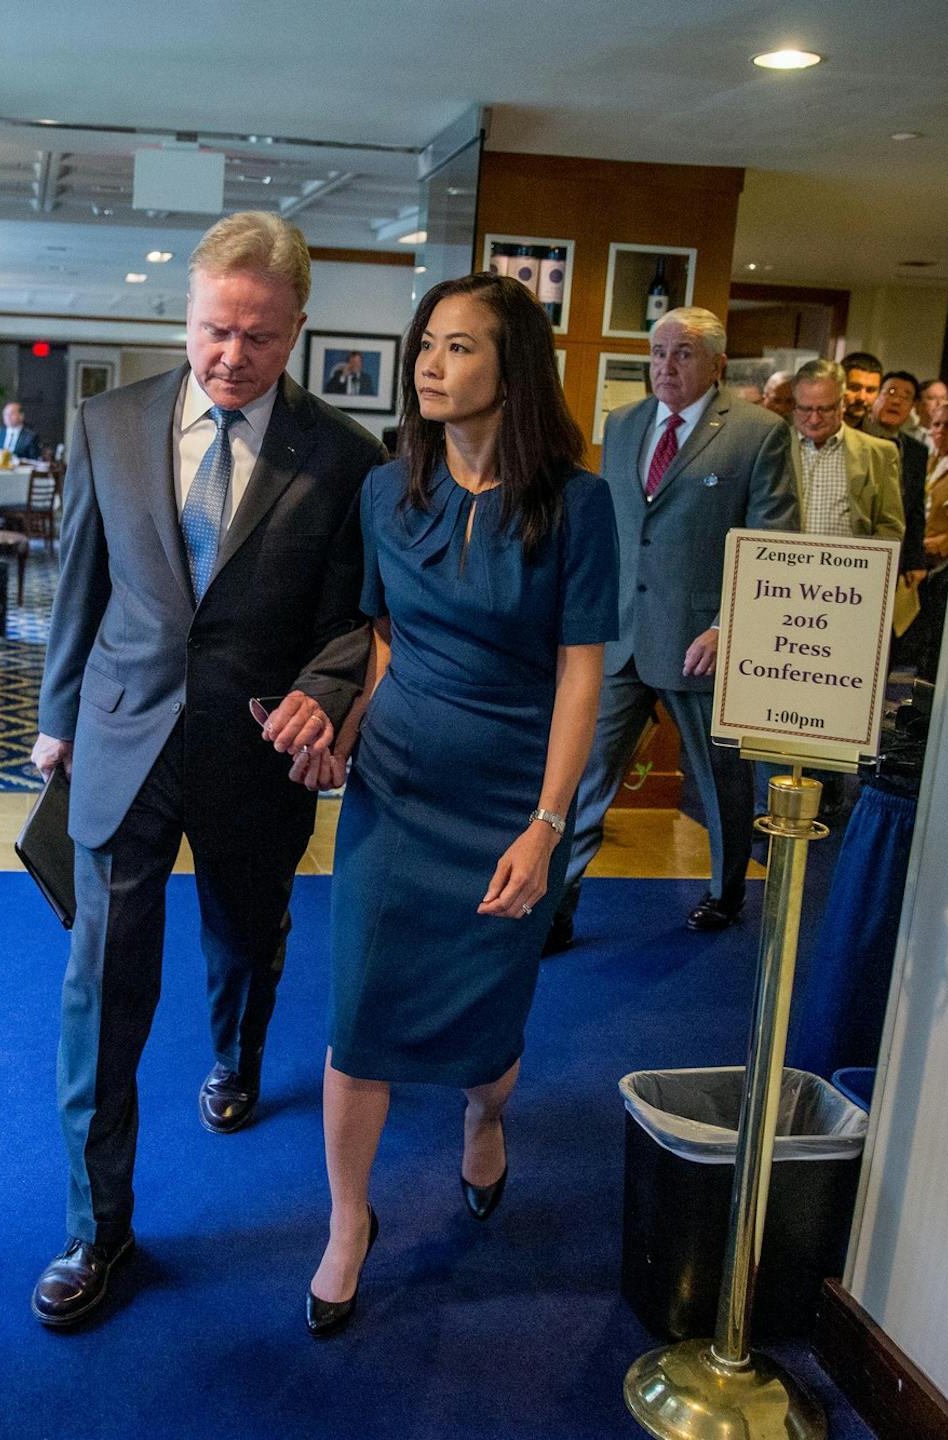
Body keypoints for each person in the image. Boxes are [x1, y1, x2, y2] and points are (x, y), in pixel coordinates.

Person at [28, 211, 383, 1328]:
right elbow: (80, 582)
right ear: (186, 316)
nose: (232, 358)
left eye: (261, 338)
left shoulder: (341, 457)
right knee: (102, 987)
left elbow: (351, 620)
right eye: (215, 331)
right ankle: (99, 1228)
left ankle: (235, 1058)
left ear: (297, 331)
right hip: (125, 735)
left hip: (255, 747)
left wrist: (324, 699)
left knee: (245, 933)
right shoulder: (109, 422)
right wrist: (55, 717)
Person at [299, 274, 617, 1336]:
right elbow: (384, 637)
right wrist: (350, 735)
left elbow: (583, 672)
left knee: (488, 1029)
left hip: (507, 797)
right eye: (426, 345)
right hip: (397, 791)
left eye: (460, 347)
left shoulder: (579, 503)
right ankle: (349, 1222)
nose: (430, 365)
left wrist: (548, 823)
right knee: (359, 1020)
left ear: (513, 367)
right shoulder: (388, 493)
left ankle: (486, 1123)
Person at [542, 307, 799, 947]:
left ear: (716, 363)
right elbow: (612, 530)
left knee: (719, 780)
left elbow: (773, 544)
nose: (666, 366)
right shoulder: (624, 424)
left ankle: (727, 889)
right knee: (581, 777)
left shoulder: (758, 433)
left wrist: (727, 626)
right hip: (620, 636)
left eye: (682, 354)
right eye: (658, 353)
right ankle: (557, 907)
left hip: (699, 642)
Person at [789, 359, 907, 542]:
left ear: (842, 403)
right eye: (805, 409)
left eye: (825, 409)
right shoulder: (773, 447)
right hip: (785, 564)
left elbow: (890, 527)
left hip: (850, 567)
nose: (814, 419)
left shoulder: (880, 453)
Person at [898, 401, 948, 680]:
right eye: (936, 424)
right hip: (920, 551)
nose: (940, 430)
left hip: (944, 561)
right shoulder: (928, 458)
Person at [863, 369, 930, 578]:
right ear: (877, 396)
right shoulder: (855, 437)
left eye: (906, 397)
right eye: (890, 392)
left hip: (893, 556)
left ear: (912, 407)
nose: (896, 401)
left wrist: (915, 560)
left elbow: (915, 509)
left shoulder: (917, 451)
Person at [839, 351, 886, 430]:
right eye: (854, 388)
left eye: (870, 390)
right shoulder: (815, 430)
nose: (861, 397)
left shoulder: (881, 440)